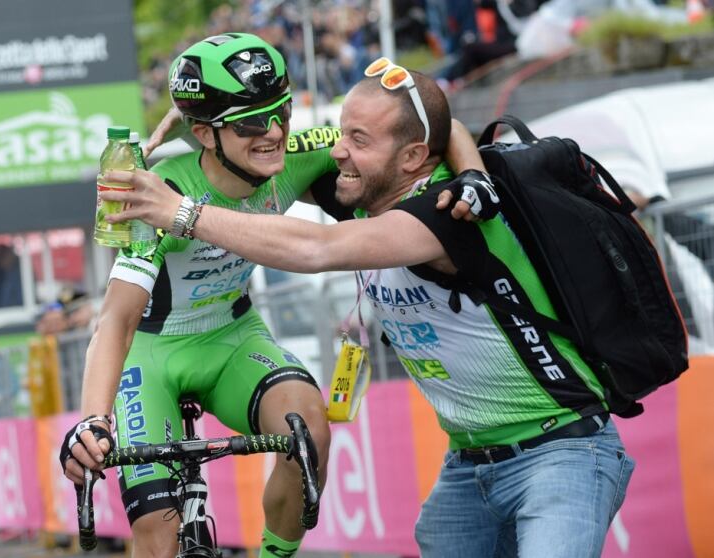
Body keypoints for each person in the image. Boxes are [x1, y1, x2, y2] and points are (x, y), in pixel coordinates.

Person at [101, 58, 635, 557]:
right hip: (469, 463)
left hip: (561, 451)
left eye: (357, 139)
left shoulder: (446, 211)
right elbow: (430, 119)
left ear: (409, 158)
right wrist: (198, 136)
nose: (335, 151)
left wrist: (181, 210)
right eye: (340, 132)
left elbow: (313, 249)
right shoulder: (365, 189)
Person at [60, 34, 489, 558]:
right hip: (150, 356)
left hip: (232, 338)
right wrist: (92, 420)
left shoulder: (295, 153)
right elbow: (116, 322)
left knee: (309, 430)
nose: (274, 133)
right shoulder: (160, 191)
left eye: (281, 112)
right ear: (204, 133)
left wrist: (474, 176)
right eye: (250, 124)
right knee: (157, 526)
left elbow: (437, 129)